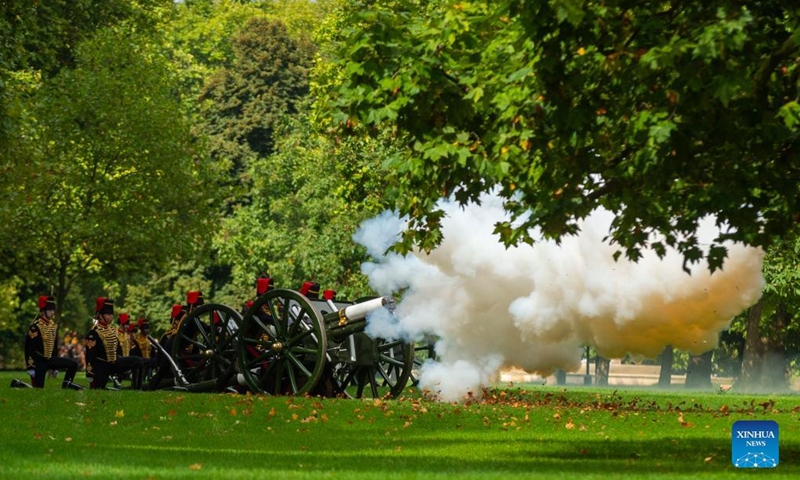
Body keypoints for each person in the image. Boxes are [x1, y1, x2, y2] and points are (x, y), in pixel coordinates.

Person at [16, 295, 84, 390]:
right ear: (43, 311)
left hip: (50, 360)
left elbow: (54, 347)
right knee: (38, 389)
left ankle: (67, 384)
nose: (53, 312)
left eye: (53, 310)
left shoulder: (53, 326)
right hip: (38, 363)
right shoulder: (35, 327)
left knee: (73, 364)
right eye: (50, 310)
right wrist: (30, 366)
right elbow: (29, 348)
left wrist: (55, 367)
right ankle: (19, 384)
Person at [84, 297, 143, 390]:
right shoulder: (93, 333)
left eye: (112, 314)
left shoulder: (112, 330)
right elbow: (89, 355)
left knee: (138, 361)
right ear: (100, 315)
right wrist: (90, 373)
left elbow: (117, 349)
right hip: (101, 366)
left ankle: (136, 387)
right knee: (98, 389)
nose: (111, 316)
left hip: (114, 362)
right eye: (108, 314)